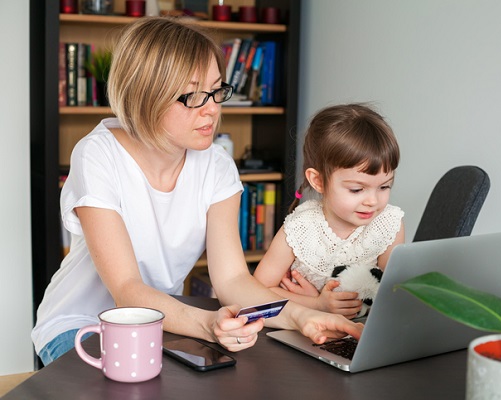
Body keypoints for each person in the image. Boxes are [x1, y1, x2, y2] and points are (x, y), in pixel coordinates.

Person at [31, 17, 362, 366]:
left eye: (217, 90)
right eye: (192, 96)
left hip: (162, 320)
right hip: (81, 325)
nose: (212, 109)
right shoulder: (98, 154)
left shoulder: (216, 166)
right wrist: (207, 325)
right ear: (144, 95)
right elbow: (127, 289)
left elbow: (232, 279)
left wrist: (300, 317)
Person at [253, 104, 405, 319]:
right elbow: (257, 290)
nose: (372, 201)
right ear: (318, 181)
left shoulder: (389, 224)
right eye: (356, 189)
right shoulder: (300, 228)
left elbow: (391, 295)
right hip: (306, 328)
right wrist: (316, 303)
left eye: (384, 187)